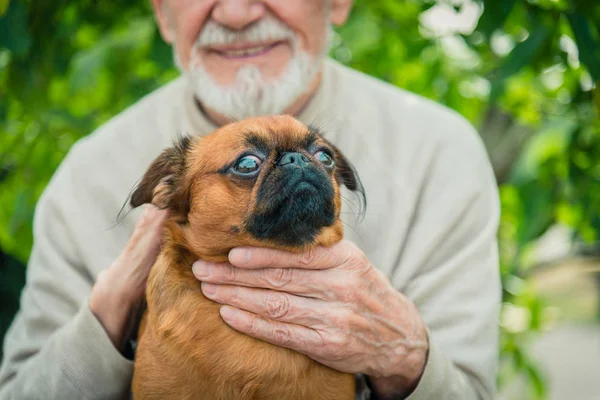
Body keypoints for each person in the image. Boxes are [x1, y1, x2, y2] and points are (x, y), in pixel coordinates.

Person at [0, 1, 501, 399]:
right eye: (246, 166)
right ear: (161, 12)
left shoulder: (442, 152)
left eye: (322, 158)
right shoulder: (86, 174)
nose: (237, 12)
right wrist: (107, 323)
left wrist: (404, 357)